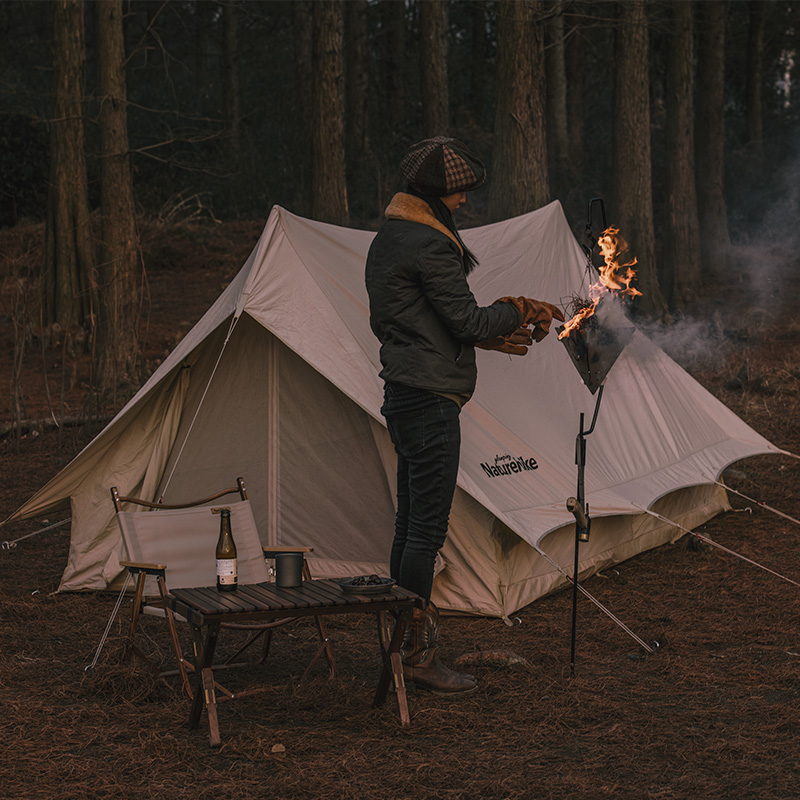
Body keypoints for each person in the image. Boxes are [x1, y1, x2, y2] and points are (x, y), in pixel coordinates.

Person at [365, 137, 564, 695]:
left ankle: (401, 648)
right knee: (424, 532)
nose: (465, 201)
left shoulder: (391, 238)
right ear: (437, 193)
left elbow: (427, 323)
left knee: (410, 528)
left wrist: (492, 330)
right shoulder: (429, 243)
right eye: (459, 192)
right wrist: (515, 310)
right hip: (428, 401)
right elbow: (466, 321)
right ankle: (416, 657)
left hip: (407, 394)